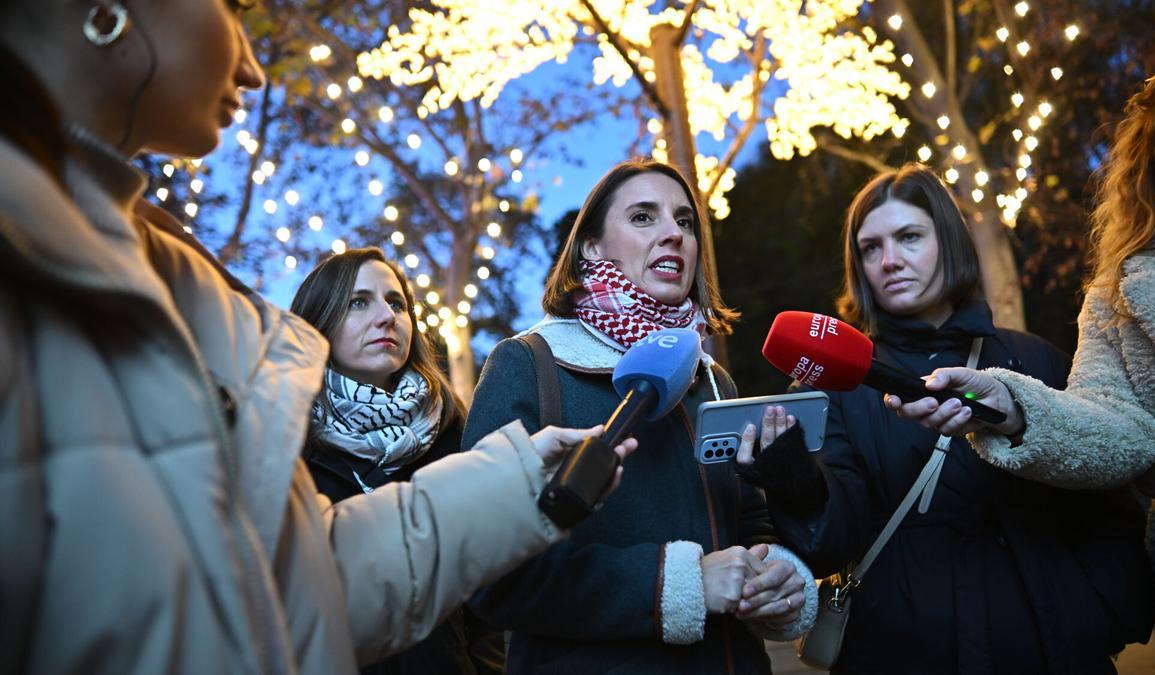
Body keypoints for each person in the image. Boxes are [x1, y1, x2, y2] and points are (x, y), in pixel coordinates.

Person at [0, 2, 634, 673]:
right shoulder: (277, 396)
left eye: (396, 301)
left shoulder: (180, 281)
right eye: (236, 8)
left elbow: (285, 592)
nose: (250, 66)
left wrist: (518, 482)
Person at [736, 164, 1155, 673]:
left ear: (949, 241)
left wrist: (1096, 610)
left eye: (909, 236)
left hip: (1052, 649)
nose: (889, 261)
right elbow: (831, 546)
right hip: (901, 654)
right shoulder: (836, 385)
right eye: (871, 248)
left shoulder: (1038, 359)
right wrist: (800, 489)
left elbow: (1108, 498)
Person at [891, 45, 1155, 672]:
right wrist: (1011, 407)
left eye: (909, 237)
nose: (890, 260)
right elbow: (1114, 425)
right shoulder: (1122, 297)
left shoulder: (1032, 350)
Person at [461, 158, 818, 675]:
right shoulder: (527, 365)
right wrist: (681, 583)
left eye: (685, 221)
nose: (673, 233)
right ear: (591, 247)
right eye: (644, 217)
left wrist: (774, 574)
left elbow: (750, 523)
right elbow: (488, 574)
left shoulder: (715, 381)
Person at [290, 247, 504, 674]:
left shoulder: (454, 433)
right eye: (359, 302)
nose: (387, 316)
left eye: (396, 302)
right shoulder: (286, 443)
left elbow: (491, 592)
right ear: (318, 320)